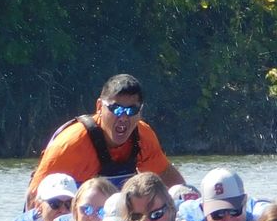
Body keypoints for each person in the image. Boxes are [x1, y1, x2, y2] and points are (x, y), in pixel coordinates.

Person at [26, 73, 185, 203]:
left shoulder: (144, 136)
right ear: (99, 107)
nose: (123, 117)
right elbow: (34, 199)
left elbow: (173, 183)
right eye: (116, 109)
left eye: (131, 110)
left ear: (140, 112)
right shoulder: (70, 145)